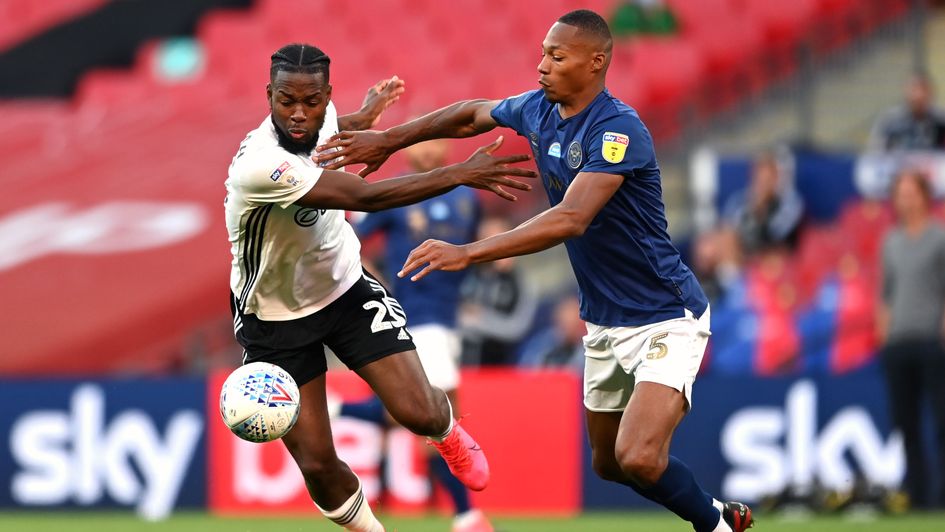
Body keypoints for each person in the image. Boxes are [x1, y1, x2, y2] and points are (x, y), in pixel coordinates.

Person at [316, 10, 754, 532]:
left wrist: (468, 252)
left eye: (557, 55)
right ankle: (719, 513)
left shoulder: (617, 129)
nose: (542, 64)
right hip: (604, 320)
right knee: (609, 463)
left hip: (665, 314)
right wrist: (392, 140)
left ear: (596, 63)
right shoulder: (540, 110)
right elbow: (469, 115)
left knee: (639, 456)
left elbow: (571, 217)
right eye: (544, 52)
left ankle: (718, 527)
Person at [225, 43, 536, 532]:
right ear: (269, 95)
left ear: (326, 95)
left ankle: (448, 434)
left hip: (345, 288)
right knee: (318, 465)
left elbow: (333, 126)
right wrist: (459, 173)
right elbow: (367, 196)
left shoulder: (318, 120)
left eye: (312, 101)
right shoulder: (261, 165)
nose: (299, 114)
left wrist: (367, 114)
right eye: (286, 101)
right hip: (273, 318)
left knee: (420, 411)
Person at [342, 138, 493, 532]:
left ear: (447, 148)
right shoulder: (396, 193)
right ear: (409, 152)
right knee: (443, 413)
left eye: (435, 143)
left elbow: (473, 248)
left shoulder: (466, 198)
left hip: (448, 321)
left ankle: (335, 410)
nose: (428, 151)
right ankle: (465, 515)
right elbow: (348, 241)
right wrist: (374, 284)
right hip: (416, 316)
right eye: (421, 145)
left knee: (416, 414)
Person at [877, 168, 945, 509]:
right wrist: (884, 333)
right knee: (907, 425)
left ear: (924, 195)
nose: (904, 199)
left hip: (932, 341)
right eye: (899, 193)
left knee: (941, 420)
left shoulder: (939, 238)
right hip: (898, 342)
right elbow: (886, 294)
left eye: (910, 192)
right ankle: (918, 498)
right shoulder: (890, 241)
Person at [457, 216, 538, 366]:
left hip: (503, 367)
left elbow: (517, 327)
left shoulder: (517, 282)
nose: (486, 246)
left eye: (493, 239)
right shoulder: (466, 275)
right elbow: (450, 313)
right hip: (463, 364)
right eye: (483, 239)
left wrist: (479, 320)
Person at [721, 150, 804, 256]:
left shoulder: (790, 203)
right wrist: (752, 209)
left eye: (768, 179)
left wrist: (760, 213)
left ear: (776, 179)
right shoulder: (738, 201)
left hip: (776, 260)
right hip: (743, 257)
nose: (763, 184)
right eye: (759, 178)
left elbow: (776, 236)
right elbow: (729, 232)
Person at [868, 71, 945, 152]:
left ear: (931, 93)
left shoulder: (941, 119)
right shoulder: (890, 121)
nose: (918, 95)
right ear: (905, 91)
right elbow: (876, 151)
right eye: (914, 89)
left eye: (923, 89)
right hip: (898, 162)